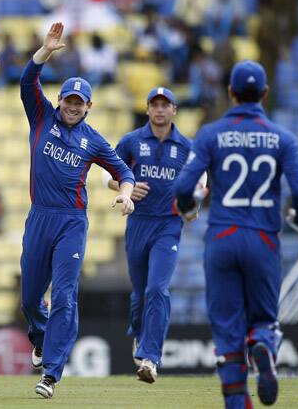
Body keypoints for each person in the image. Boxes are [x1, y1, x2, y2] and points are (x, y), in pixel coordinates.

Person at [174, 61, 298, 408]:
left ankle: (238, 398)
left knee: (226, 333)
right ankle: (263, 344)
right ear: (265, 94)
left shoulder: (210, 134)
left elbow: (182, 186)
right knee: (264, 320)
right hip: (264, 239)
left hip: (222, 237)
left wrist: (188, 207)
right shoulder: (283, 138)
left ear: (230, 93)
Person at [20, 22, 135, 399]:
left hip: (71, 222)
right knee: (30, 297)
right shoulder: (42, 118)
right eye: (67, 100)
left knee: (65, 296)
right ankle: (39, 339)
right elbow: (26, 83)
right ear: (60, 101)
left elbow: (123, 171)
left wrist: (128, 194)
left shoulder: (94, 140)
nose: (71, 106)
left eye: (78, 102)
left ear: (89, 106)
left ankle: (51, 374)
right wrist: (44, 53)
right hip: (39, 217)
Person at [102, 87, 204, 383]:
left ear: (174, 110)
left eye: (166, 105)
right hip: (138, 223)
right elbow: (106, 174)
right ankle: (140, 334)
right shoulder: (132, 141)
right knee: (139, 296)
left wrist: (192, 204)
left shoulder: (187, 146)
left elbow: (200, 182)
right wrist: (126, 189)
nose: (160, 110)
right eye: (154, 105)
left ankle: (150, 358)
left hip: (168, 226)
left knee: (157, 289)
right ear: (147, 109)